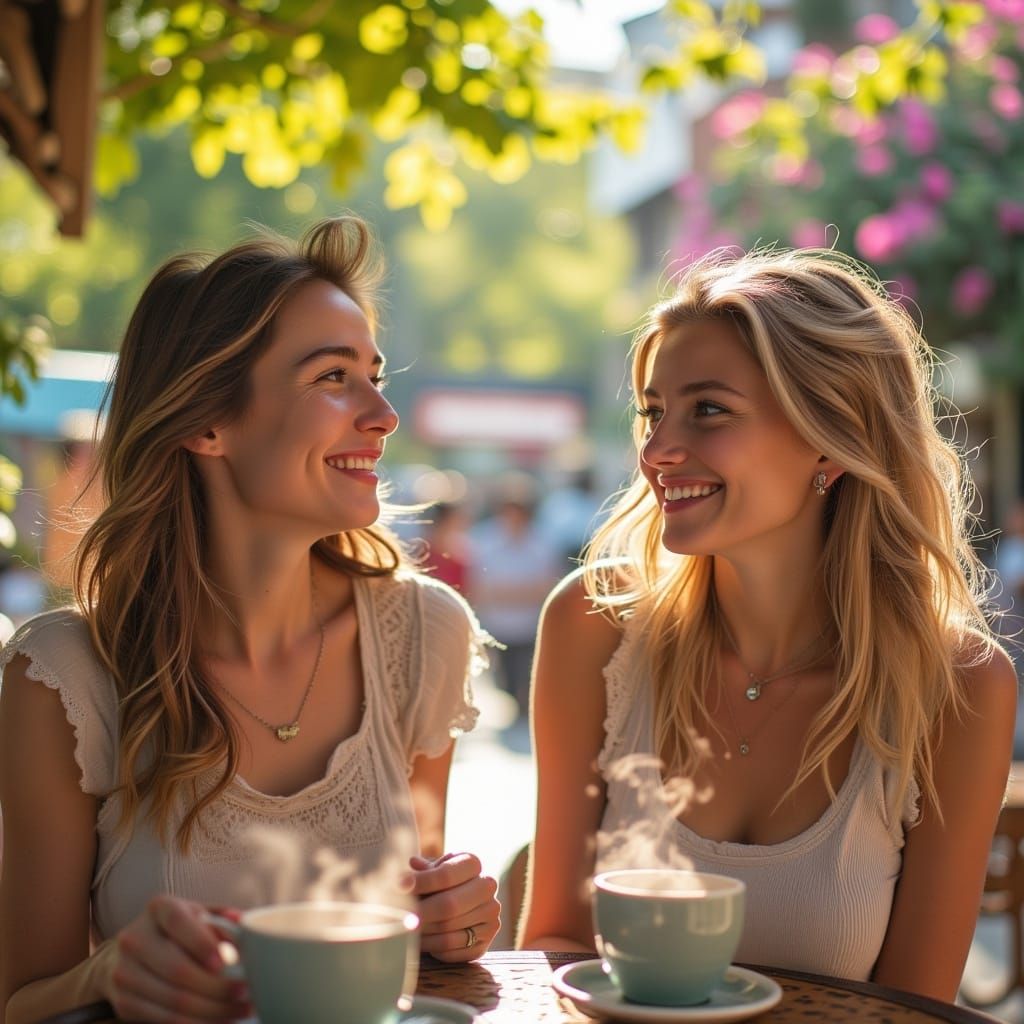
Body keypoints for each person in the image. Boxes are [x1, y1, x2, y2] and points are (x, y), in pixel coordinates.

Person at [0, 217, 500, 1024]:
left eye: (375, 375)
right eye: (333, 376)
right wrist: (106, 976)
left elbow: (422, 928)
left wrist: (454, 918)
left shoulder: (423, 635)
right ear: (207, 424)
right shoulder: (64, 678)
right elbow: (21, 1003)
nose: (382, 414)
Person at [520, 247, 1016, 1001]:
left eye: (708, 409)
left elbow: (913, 1010)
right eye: (653, 413)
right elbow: (553, 944)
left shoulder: (957, 688)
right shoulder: (594, 627)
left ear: (830, 433)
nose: (657, 451)